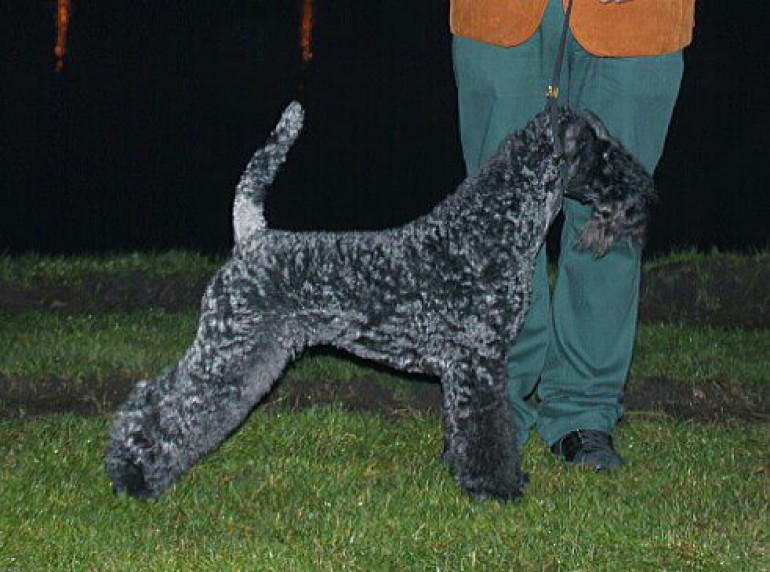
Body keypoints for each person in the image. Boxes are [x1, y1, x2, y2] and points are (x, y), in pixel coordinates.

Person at [449, 0, 696, 469]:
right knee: (499, 222)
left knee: (611, 217)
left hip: (639, 19)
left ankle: (584, 411)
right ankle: (492, 409)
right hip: (498, 15)